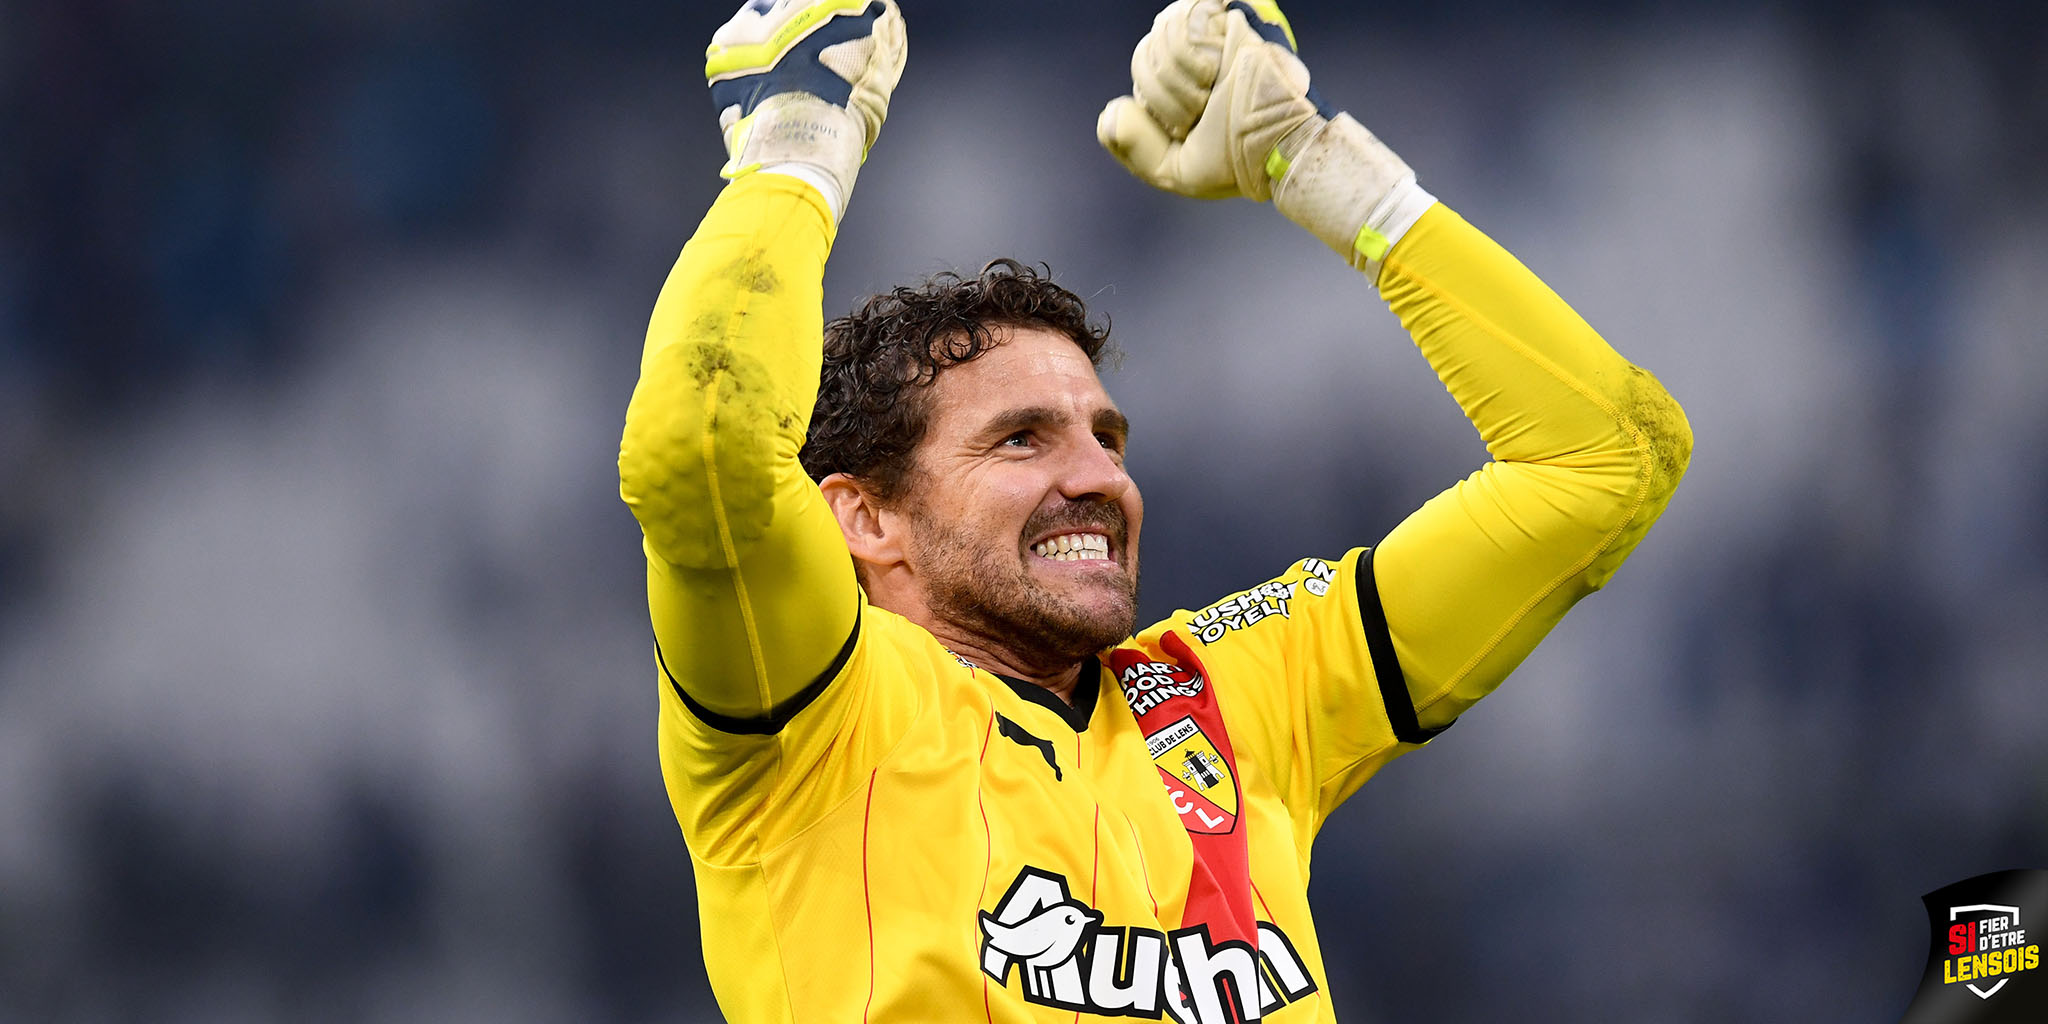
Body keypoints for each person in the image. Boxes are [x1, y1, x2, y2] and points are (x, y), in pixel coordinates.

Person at [617, 0, 1691, 1020]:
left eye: (1107, 436)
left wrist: (1323, 166)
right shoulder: (811, 710)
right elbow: (698, 446)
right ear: (863, 519)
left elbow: (1608, 458)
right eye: (1021, 438)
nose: (1099, 476)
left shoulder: (1226, 700)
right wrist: (795, 148)